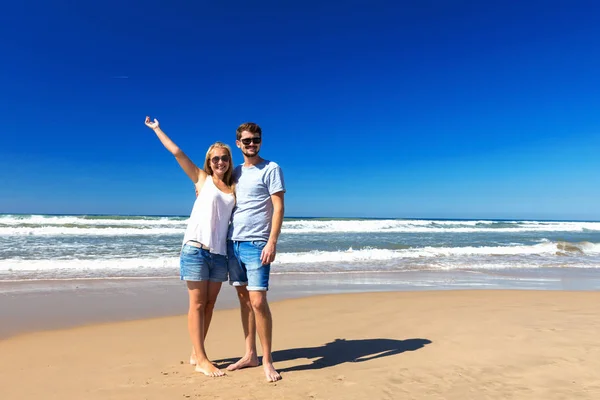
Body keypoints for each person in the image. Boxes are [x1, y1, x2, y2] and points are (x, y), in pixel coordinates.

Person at [144, 116, 235, 377]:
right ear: (209, 161)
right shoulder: (201, 179)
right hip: (195, 249)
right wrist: (157, 129)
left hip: (219, 254)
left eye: (224, 158)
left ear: (229, 162)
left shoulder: (233, 187)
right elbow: (177, 153)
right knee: (196, 305)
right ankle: (203, 359)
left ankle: (197, 353)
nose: (220, 162)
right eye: (215, 158)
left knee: (209, 305)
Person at [225, 122, 286, 382]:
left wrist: (272, 242)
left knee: (259, 302)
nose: (252, 144)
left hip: (257, 244)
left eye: (256, 140)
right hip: (233, 243)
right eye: (247, 141)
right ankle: (249, 354)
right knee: (244, 300)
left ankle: (268, 360)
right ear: (238, 143)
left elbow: (279, 207)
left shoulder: (271, 168)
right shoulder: (234, 172)